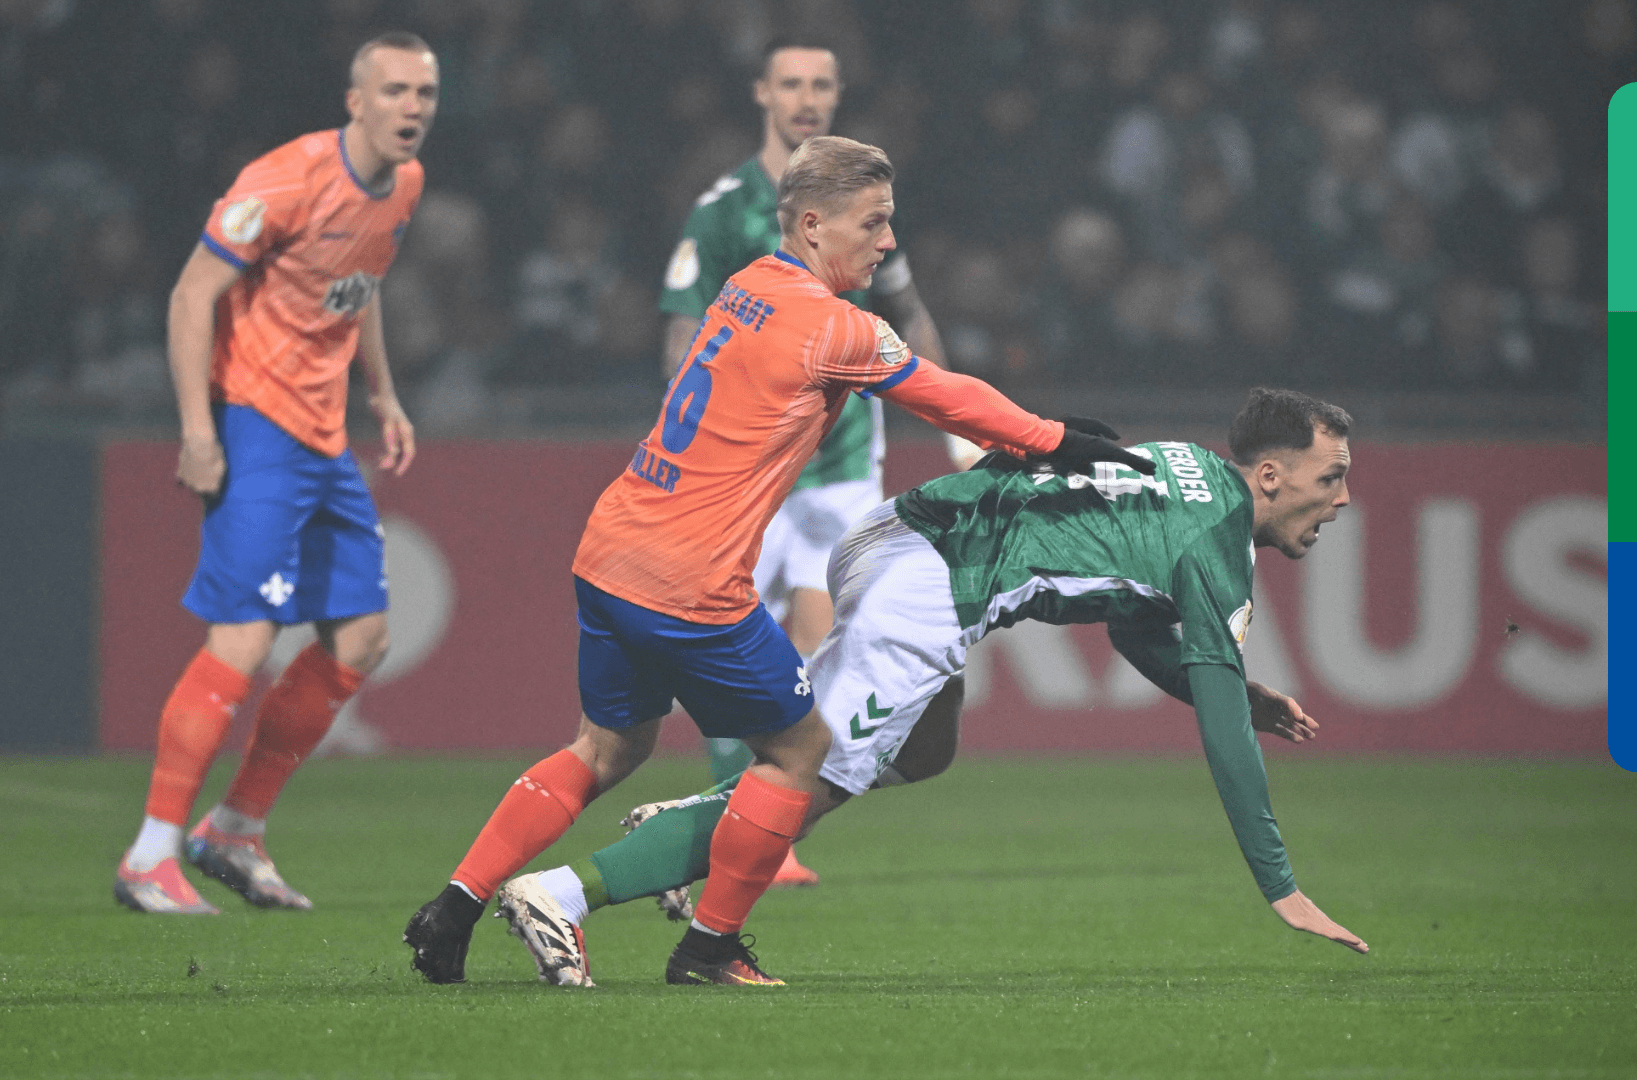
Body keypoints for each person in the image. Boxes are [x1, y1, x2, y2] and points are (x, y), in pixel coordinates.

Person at [403, 135, 1153, 987]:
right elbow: (945, 394)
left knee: (605, 748)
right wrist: (1054, 439)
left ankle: (452, 910)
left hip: (611, 550)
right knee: (800, 749)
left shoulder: (748, 286)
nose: (888, 241)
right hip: (690, 578)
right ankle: (709, 949)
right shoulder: (835, 328)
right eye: (873, 222)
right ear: (812, 224)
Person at [497, 388, 1373, 987]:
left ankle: (708, 819)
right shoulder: (1219, 545)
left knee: (926, 747)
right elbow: (1224, 741)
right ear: (1270, 475)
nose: (1341, 499)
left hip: (898, 532)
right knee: (808, 784)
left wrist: (1239, 693)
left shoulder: (1190, 467)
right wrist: (1280, 886)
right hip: (929, 586)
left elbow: (1133, 625)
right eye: (1330, 477)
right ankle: (563, 895)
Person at [113, 32, 435, 915]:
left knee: (361, 638)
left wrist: (383, 392)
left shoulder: (404, 185)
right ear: (356, 101)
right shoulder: (285, 180)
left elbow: (361, 284)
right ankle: (150, 855)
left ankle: (234, 829)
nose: (412, 107)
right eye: (395, 90)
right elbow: (191, 294)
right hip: (254, 424)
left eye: (424, 93)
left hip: (324, 437)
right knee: (245, 640)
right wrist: (197, 430)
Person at [660, 44, 954, 887]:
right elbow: (684, 327)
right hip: (752, 469)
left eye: (822, 84)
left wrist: (955, 430)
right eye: (791, 83)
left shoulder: (862, 202)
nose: (807, 98)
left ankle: (764, 828)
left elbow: (906, 310)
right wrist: (691, 434)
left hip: (842, 461)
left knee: (821, 651)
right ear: (762, 93)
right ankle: (725, 823)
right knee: (731, 638)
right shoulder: (724, 210)